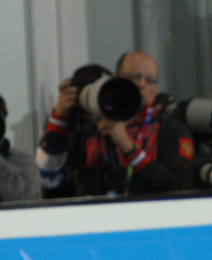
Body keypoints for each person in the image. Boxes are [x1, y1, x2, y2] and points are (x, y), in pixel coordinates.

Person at [36, 52, 194, 197]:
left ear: (156, 88)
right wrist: (60, 119)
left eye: (150, 80)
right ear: (115, 78)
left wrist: (127, 146)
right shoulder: (88, 126)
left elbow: (175, 187)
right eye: (134, 76)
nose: (141, 84)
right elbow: (49, 179)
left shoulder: (172, 130)